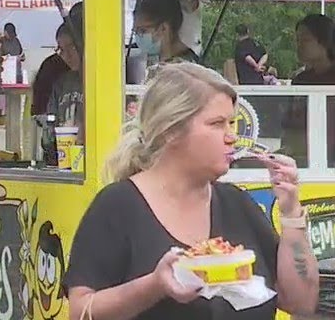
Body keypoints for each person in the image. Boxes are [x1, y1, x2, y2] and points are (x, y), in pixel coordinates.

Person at [63, 63, 318, 320]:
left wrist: (291, 213)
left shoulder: (236, 204)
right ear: (171, 131)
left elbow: (300, 303)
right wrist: (155, 285)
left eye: (231, 123)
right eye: (217, 124)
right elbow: (81, 312)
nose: (232, 137)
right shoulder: (118, 206)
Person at [133, 0, 200, 65]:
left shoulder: (186, 68)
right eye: (135, 32)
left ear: (163, 28)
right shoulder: (164, 62)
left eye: (142, 31)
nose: (138, 37)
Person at [292, 14, 335, 85]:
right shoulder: (301, 80)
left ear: (324, 41)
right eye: (297, 40)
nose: (299, 45)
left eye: (305, 39)